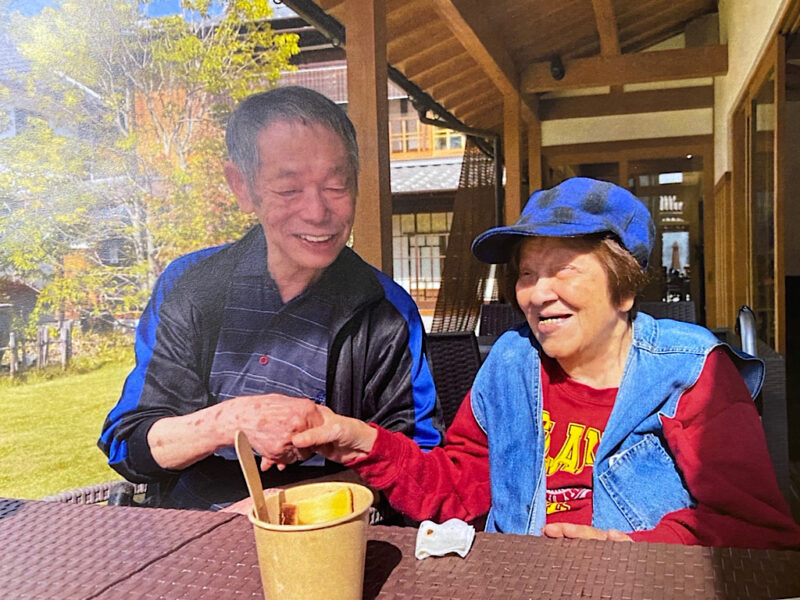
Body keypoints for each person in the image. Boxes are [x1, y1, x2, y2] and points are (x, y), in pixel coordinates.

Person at [285, 177, 800, 548]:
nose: (536, 293)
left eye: (564, 269)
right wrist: (361, 440)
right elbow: (460, 489)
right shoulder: (511, 364)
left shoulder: (690, 373)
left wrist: (633, 548)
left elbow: (757, 530)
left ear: (623, 290)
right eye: (527, 274)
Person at [98, 86, 443, 510]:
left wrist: (278, 508)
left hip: (324, 527)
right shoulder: (190, 286)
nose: (317, 212)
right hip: (189, 528)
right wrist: (231, 421)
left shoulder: (386, 311)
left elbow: (421, 465)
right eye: (289, 189)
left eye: (337, 186)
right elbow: (129, 444)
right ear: (242, 187)